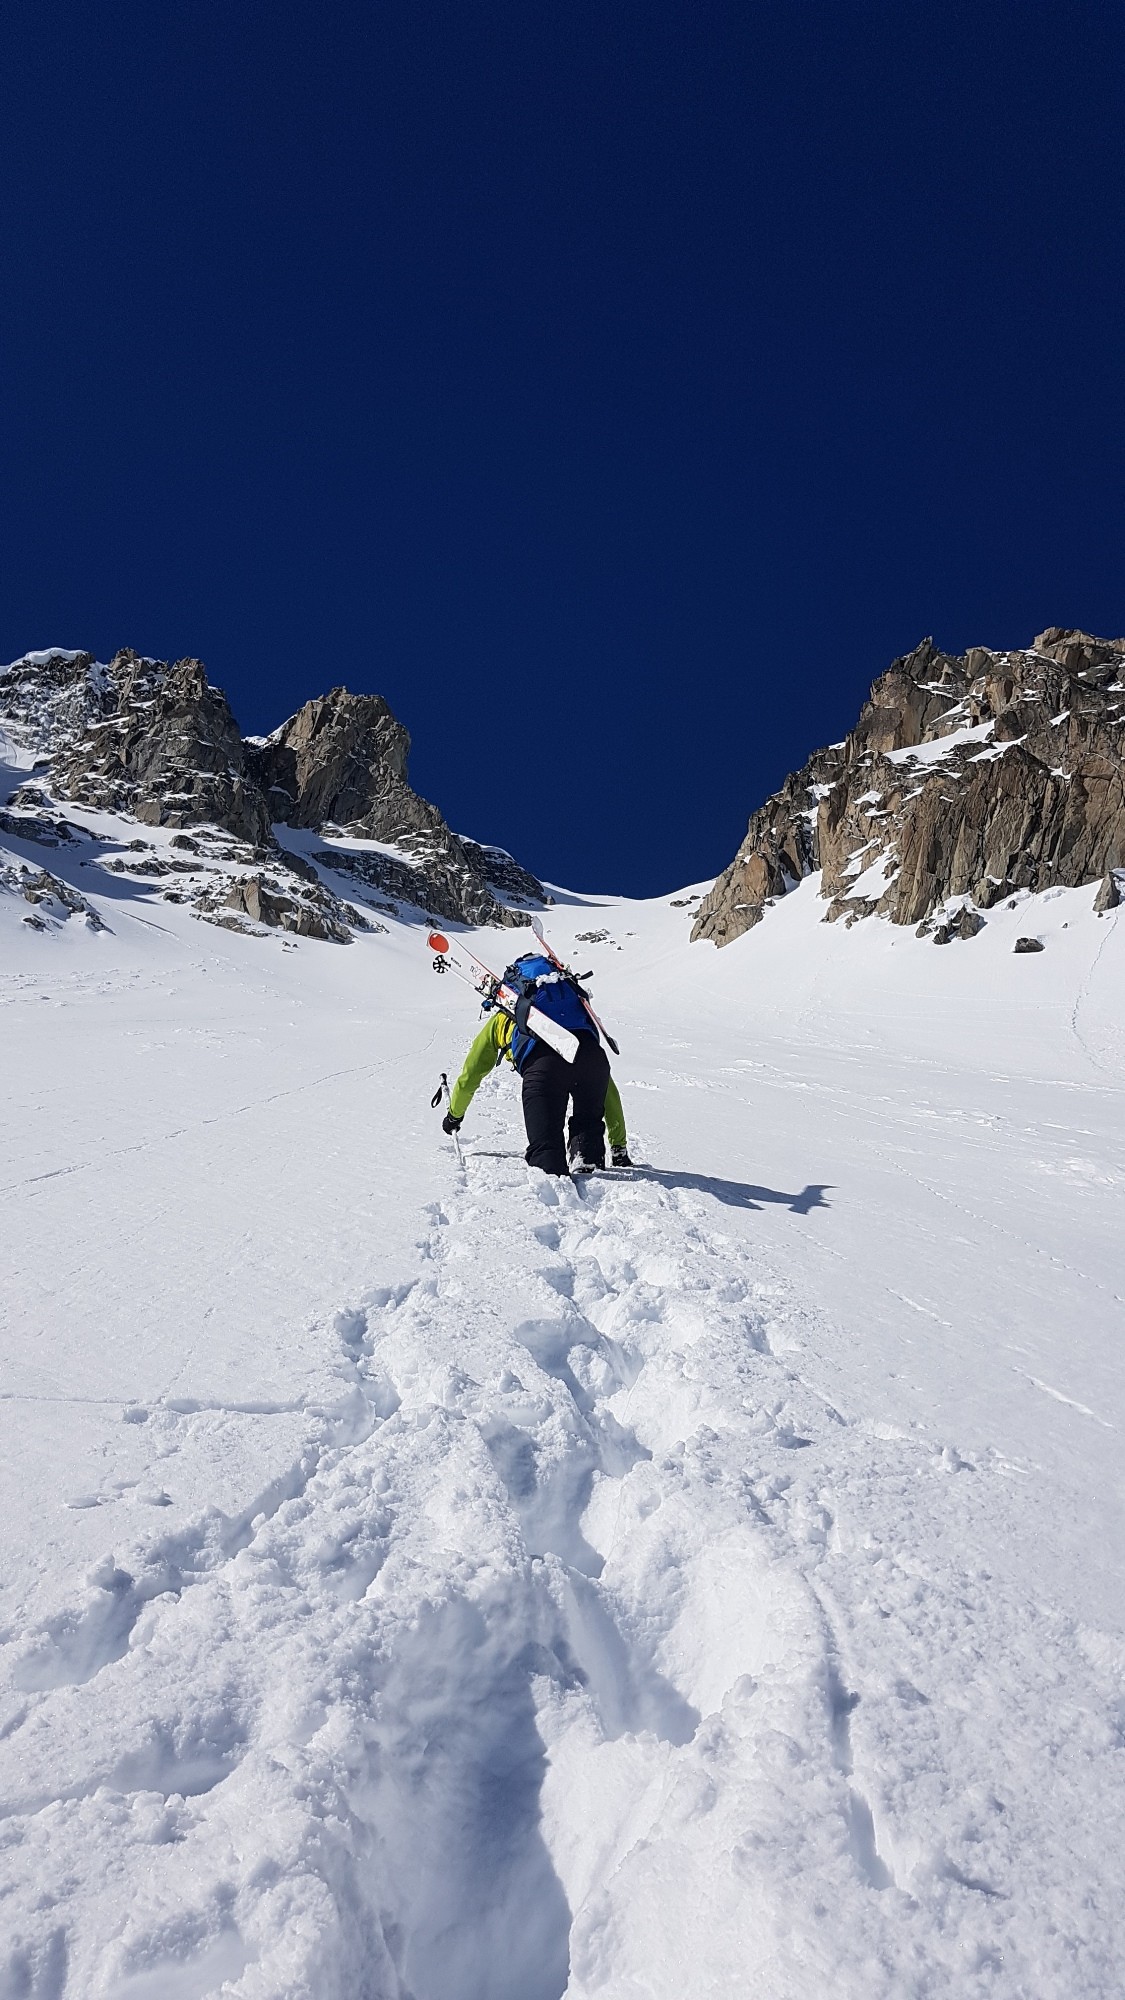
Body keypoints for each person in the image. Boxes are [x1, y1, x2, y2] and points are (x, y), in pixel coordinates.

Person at [442, 953, 631, 1175]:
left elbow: (470, 1075)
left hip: (544, 1068)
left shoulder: (504, 1018)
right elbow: (608, 1090)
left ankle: (557, 1189)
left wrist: (454, 1116)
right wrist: (619, 1146)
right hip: (592, 1058)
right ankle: (586, 1157)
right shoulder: (576, 1011)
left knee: (547, 1164)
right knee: (589, 1155)